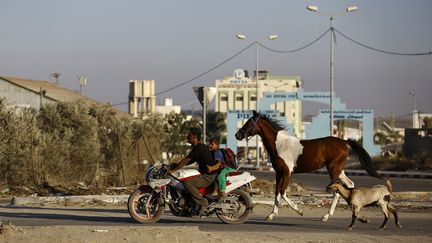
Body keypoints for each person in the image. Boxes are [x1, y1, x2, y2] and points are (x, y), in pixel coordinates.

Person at [168, 127, 218, 214]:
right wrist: (174, 165)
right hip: (206, 174)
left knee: (188, 183)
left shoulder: (198, 148)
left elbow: (186, 160)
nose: (187, 136)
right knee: (186, 179)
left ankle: (203, 203)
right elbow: (189, 161)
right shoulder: (199, 148)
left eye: (189, 135)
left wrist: (173, 170)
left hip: (208, 176)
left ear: (195, 137)